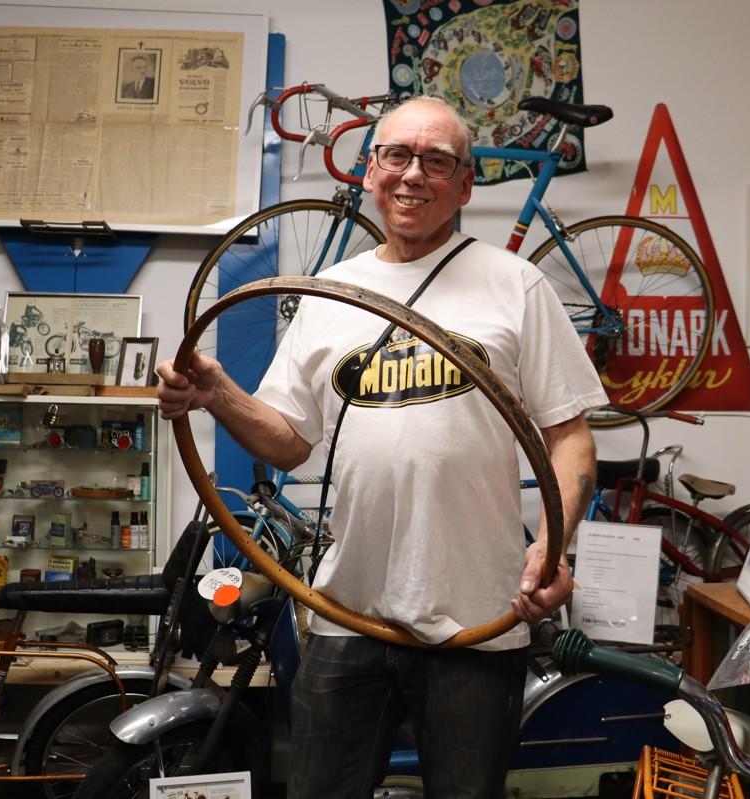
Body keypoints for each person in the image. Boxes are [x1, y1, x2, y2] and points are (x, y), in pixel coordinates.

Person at [155, 96, 606, 798]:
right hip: (347, 612)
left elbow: (569, 437)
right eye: (397, 155)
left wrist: (552, 543)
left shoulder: (517, 284)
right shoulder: (330, 291)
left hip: (479, 621)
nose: (413, 174)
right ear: (371, 171)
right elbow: (290, 442)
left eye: (437, 160)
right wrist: (216, 392)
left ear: (464, 184)